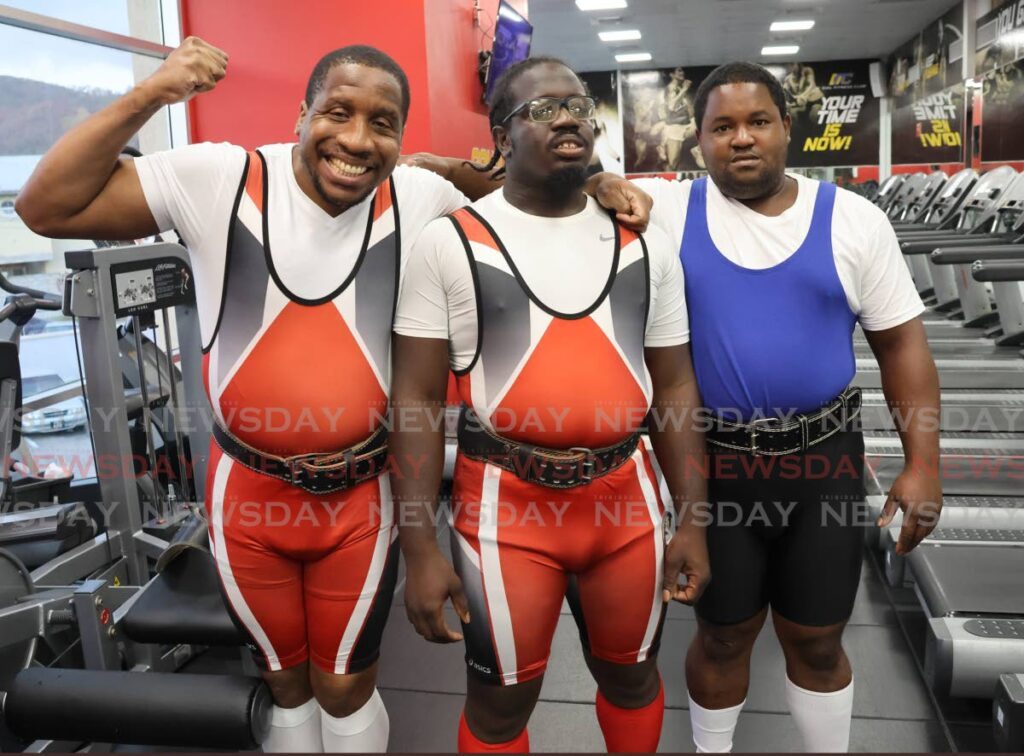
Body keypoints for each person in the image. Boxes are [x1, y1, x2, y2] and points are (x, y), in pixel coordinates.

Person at [15, 37, 650, 753]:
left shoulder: (419, 195)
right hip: (248, 499)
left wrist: (597, 183)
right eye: (337, 113)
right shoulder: (220, 177)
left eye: (382, 124)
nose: (355, 139)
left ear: (401, 137)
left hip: (358, 500)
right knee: (286, 685)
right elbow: (45, 206)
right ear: (301, 113)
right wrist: (154, 93)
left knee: (346, 685)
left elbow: (530, 188)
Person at [608, 61, 942, 753]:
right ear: (697, 140)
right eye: (721, 126)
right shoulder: (666, 213)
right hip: (716, 465)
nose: (741, 139)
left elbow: (902, 347)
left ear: (787, 128)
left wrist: (923, 464)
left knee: (819, 641)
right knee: (722, 634)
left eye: (758, 121)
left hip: (823, 465)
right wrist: (601, 183)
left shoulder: (854, 220)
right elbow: (561, 191)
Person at [388, 57, 709, 753]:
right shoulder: (449, 242)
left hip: (626, 504)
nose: (567, 118)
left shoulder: (644, 237)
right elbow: (413, 400)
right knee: (501, 704)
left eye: (579, 106)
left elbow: (676, 388)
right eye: (542, 109)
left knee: (632, 679)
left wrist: (694, 521)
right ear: (501, 137)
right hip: (505, 509)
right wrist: (417, 545)